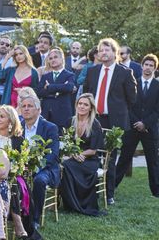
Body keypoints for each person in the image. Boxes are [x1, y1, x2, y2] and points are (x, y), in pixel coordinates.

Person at [83, 38, 137, 205]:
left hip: (114, 121)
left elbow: (132, 99)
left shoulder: (125, 72)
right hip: (94, 119)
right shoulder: (93, 71)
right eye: (100, 50)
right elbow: (86, 94)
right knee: (90, 154)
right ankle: (87, 190)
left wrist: (119, 113)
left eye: (107, 50)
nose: (103, 53)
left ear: (115, 53)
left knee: (109, 158)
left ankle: (109, 193)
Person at [116, 54, 159, 197]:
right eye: (146, 65)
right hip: (132, 128)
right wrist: (137, 123)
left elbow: (157, 110)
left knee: (153, 161)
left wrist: (145, 123)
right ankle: (112, 186)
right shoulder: (133, 83)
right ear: (141, 66)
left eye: (151, 65)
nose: (148, 68)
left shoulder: (158, 86)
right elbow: (128, 106)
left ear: (155, 68)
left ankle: (156, 191)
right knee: (124, 159)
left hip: (150, 129)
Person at [19, 93, 60, 240]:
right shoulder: (18, 128)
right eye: (23, 106)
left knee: (39, 181)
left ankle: (34, 219)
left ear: (39, 110)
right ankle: (18, 217)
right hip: (21, 167)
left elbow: (53, 155)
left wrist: (36, 168)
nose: (26, 109)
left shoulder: (50, 127)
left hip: (45, 168)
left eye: (30, 106)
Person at [60, 94, 105, 216]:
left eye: (86, 104)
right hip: (72, 157)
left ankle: (81, 204)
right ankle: (70, 204)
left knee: (69, 166)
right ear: (76, 105)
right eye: (80, 103)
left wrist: (80, 154)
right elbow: (65, 143)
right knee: (67, 165)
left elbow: (93, 150)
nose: (82, 106)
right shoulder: (70, 121)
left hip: (90, 160)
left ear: (90, 108)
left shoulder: (95, 124)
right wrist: (73, 154)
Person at [0, 104, 28, 238]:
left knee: (10, 184)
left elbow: (20, 165)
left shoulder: (17, 140)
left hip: (12, 176)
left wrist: (5, 173)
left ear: (11, 120)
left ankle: (17, 222)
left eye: (2, 116)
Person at [37, 48, 76, 130]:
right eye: (50, 58)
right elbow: (39, 92)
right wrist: (60, 89)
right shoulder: (45, 76)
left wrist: (49, 87)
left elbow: (69, 87)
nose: (53, 60)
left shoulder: (69, 75)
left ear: (62, 59)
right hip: (46, 114)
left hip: (62, 115)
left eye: (55, 57)